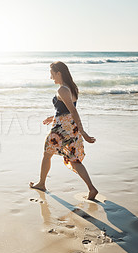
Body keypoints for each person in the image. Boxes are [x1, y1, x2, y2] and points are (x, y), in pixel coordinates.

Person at [30, 62, 98, 200]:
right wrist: (53, 117)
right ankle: (92, 189)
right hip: (69, 127)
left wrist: (83, 132)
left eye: (52, 74)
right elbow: (66, 109)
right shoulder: (71, 88)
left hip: (61, 129)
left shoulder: (62, 90)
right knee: (73, 159)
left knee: (47, 153)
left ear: (59, 73)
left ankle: (42, 184)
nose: (51, 77)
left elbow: (73, 110)